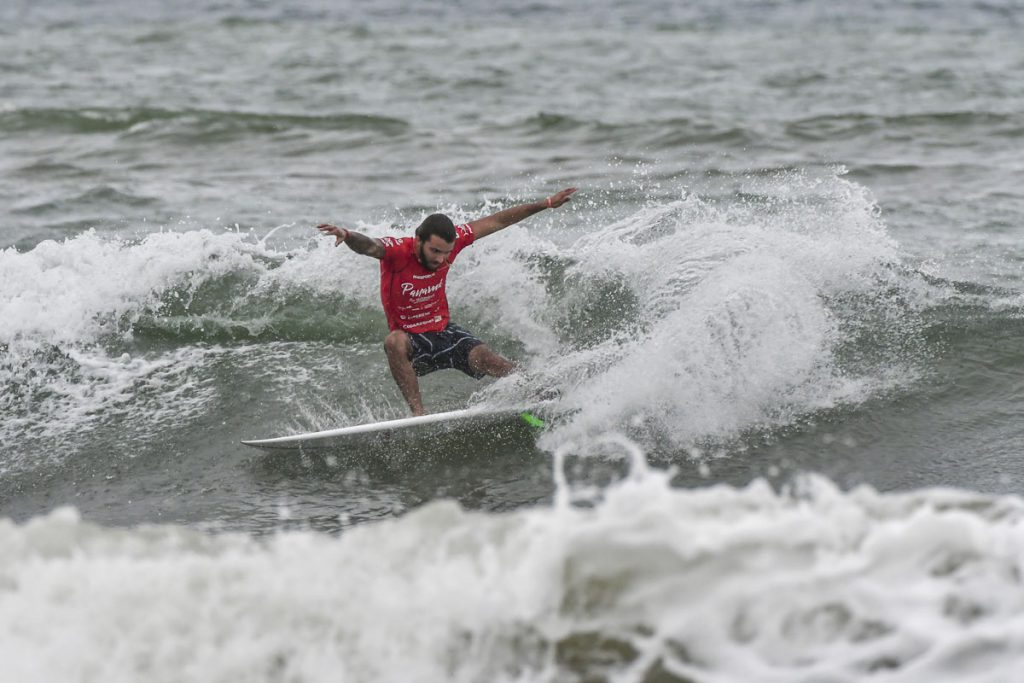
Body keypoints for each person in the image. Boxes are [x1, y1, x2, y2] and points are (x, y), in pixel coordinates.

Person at [317, 187, 576, 416]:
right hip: (413, 343)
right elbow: (371, 246)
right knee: (394, 341)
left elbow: (498, 221)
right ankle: (418, 415)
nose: (441, 259)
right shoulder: (398, 251)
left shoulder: (453, 244)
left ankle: (543, 395)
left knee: (486, 357)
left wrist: (545, 204)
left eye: (446, 253)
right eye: (435, 251)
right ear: (419, 240)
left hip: (444, 332)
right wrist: (348, 235)